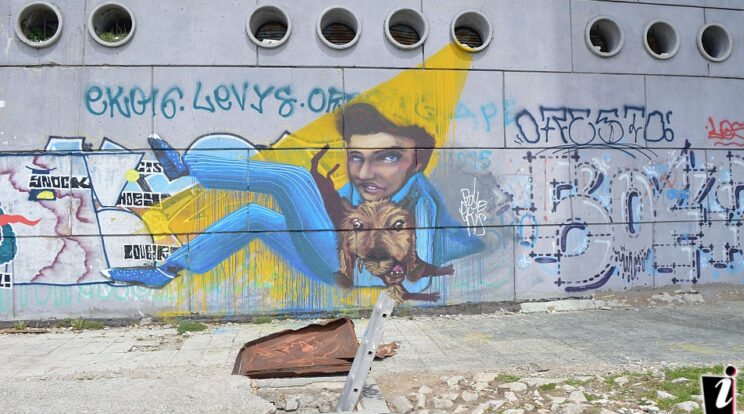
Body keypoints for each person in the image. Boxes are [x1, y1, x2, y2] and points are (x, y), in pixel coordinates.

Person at [102, 103, 484, 294]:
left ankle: (187, 168)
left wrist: (383, 266)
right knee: (253, 216)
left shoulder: (422, 201)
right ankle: (165, 270)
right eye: (357, 157)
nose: (367, 171)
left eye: (387, 158)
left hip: (349, 267)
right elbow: (333, 217)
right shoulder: (365, 193)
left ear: (415, 163)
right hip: (330, 256)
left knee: (291, 178)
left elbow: (420, 270)